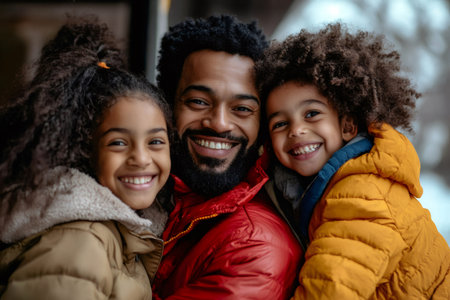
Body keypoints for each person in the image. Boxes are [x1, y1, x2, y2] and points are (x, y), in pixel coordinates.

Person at [254, 22, 450, 299]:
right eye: (280, 124)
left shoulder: (362, 195)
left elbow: (330, 288)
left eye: (311, 114)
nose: (295, 130)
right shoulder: (324, 186)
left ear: (347, 125)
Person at [0, 18, 172, 299]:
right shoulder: (80, 241)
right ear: (84, 150)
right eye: (118, 142)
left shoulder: (119, 230)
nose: (141, 158)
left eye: (155, 142)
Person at [152, 15, 302, 299]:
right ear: (167, 105)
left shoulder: (254, 245)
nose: (219, 123)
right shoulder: (142, 194)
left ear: (263, 125)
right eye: (198, 102)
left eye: (242, 109)